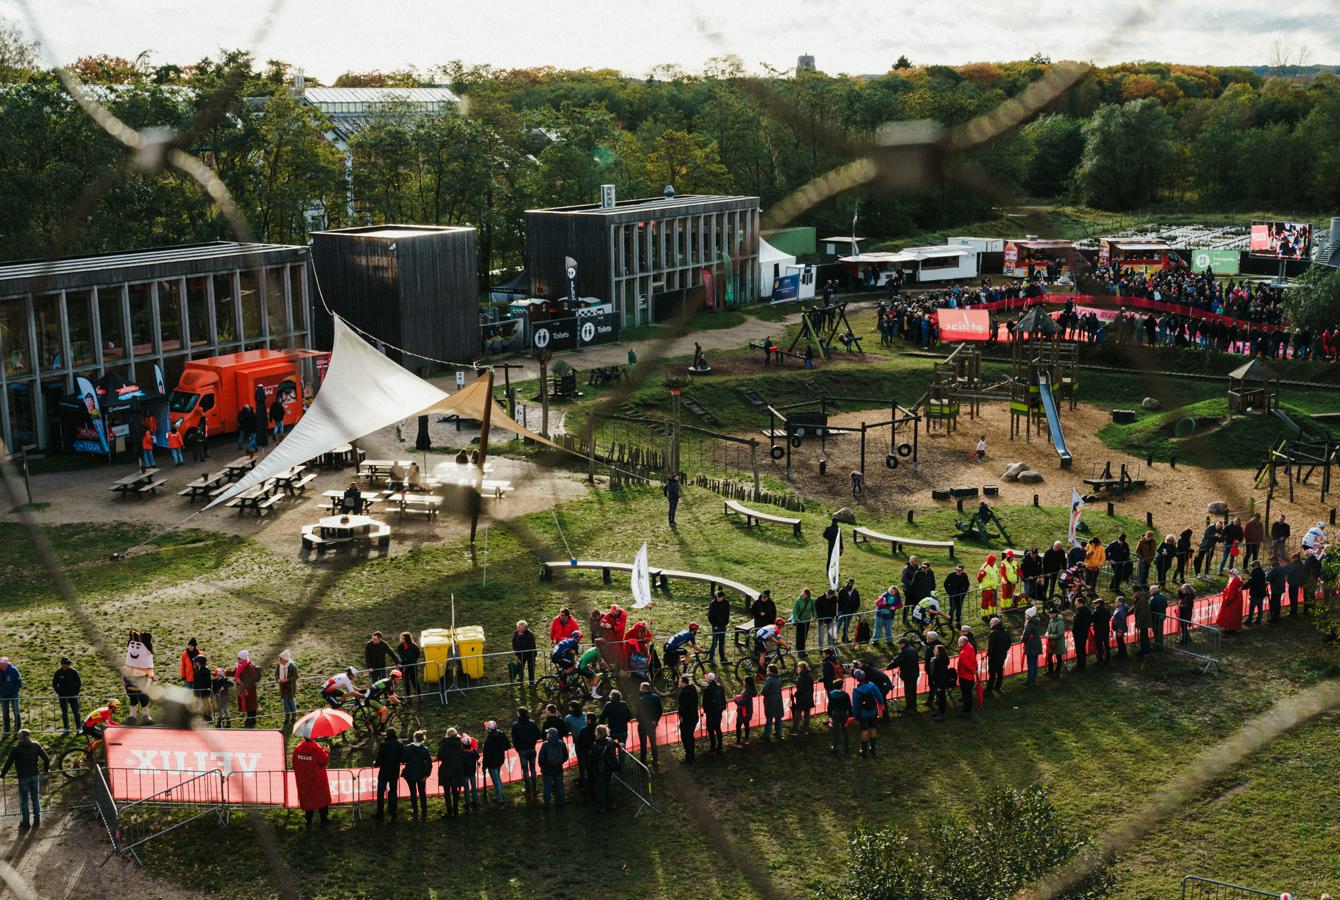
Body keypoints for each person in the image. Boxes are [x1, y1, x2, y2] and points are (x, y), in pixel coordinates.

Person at [1, 729, 50, 830]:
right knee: (35, 798)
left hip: (23, 777)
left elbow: (8, 763)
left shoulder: (16, 749)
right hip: (34, 775)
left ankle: (26, 822)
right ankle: (37, 821)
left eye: (18, 735)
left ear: (21, 737)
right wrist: (46, 770)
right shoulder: (36, 745)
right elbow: (46, 758)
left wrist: (2, 774)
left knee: (24, 800)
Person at [292, 733, 332, 827]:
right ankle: (324, 820)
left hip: (304, 780)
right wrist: (326, 752)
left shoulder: (298, 748)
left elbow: (294, 763)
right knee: (321, 799)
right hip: (317, 780)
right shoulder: (316, 748)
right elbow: (323, 761)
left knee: (308, 800)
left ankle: (308, 821)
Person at [401, 729, 432, 820]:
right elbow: (429, 764)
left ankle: (415, 811)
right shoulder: (425, 749)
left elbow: (403, 760)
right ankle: (424, 810)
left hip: (410, 773)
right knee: (422, 792)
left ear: (414, 738)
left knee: (413, 792)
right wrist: (427, 775)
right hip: (422, 774)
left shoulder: (407, 747)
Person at [851, 669, 883, 755]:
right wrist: (880, 704)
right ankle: (873, 749)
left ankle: (864, 751)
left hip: (863, 713)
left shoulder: (856, 691)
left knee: (864, 730)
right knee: (873, 728)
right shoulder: (872, 685)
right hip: (873, 711)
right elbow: (879, 696)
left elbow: (855, 705)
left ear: (857, 679)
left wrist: (856, 716)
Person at [511, 707, 543, 794]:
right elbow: (539, 735)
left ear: (518, 713)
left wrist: (518, 749)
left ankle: (528, 789)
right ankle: (534, 788)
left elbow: (514, 740)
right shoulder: (532, 723)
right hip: (532, 748)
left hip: (522, 750)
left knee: (525, 770)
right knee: (532, 768)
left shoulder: (515, 725)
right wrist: (533, 742)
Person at [374, 729, 403, 820]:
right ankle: (393, 812)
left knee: (380, 792)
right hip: (394, 771)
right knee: (393, 792)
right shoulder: (400, 744)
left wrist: (376, 764)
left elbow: (379, 757)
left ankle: (380, 812)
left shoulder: (383, 744)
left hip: (384, 771)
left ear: (387, 734)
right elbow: (403, 758)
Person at [436, 728, 465, 818]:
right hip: (457, 769)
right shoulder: (460, 744)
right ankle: (456, 811)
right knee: (455, 790)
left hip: (446, 770)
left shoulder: (444, 745)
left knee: (447, 791)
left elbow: (440, 756)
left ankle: (449, 812)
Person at [481, 720, 511, 806]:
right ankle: (501, 796)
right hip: (500, 759)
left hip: (492, 763)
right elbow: (508, 745)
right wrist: (500, 749)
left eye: (486, 728)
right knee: (498, 778)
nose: (486, 729)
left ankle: (500, 800)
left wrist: (484, 766)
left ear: (489, 729)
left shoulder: (488, 740)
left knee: (496, 781)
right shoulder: (501, 734)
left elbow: (486, 755)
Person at [537, 727, 569, 807]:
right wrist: (560, 763)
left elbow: (541, 758)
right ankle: (561, 802)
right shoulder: (562, 743)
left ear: (550, 735)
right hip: (558, 769)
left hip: (547, 770)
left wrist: (543, 767)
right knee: (560, 786)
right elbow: (565, 756)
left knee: (547, 787)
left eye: (547, 733)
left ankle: (547, 804)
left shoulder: (545, 744)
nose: (546, 734)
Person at [229, 650, 261, 728]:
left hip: (249, 690)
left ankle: (251, 719)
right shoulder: (240, 666)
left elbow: (251, 679)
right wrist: (226, 672)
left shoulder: (249, 667)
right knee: (248, 704)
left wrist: (241, 682)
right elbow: (235, 673)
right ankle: (249, 718)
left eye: (239, 658)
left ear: (243, 659)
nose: (238, 660)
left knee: (251, 705)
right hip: (244, 689)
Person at [591, 725, 618, 812]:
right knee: (608, 785)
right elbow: (617, 745)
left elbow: (592, 757)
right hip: (609, 767)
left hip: (600, 768)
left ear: (598, 733)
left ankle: (601, 806)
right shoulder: (610, 741)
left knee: (600, 788)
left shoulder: (595, 744)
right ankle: (611, 804)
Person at [635, 683, 663, 766]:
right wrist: (655, 720)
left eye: (640, 687)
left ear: (643, 689)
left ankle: (643, 761)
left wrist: (642, 722)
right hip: (653, 725)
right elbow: (660, 710)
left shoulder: (641, 699)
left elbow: (638, 714)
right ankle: (655, 759)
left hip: (643, 725)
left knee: (643, 744)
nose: (639, 689)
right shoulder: (656, 697)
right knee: (653, 742)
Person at [51, 657, 81, 734]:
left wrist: (76, 693)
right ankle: (66, 728)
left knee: (76, 712)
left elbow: (79, 682)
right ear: (63, 664)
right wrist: (59, 693)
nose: (69, 665)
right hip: (63, 697)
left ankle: (78, 728)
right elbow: (54, 684)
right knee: (64, 713)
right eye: (67, 664)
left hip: (73, 696)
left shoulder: (73, 672)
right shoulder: (58, 673)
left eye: (69, 664)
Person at [827, 676, 852, 755]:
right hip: (844, 714)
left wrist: (830, 714)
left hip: (835, 714)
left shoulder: (831, 694)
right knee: (845, 731)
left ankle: (834, 747)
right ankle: (846, 748)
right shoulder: (845, 695)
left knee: (835, 731)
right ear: (842, 686)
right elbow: (849, 705)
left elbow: (829, 706)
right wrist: (851, 714)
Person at [702, 672, 726, 754]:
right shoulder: (720, 688)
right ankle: (720, 746)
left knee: (711, 729)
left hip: (711, 713)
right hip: (718, 711)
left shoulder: (707, 690)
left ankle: (713, 746)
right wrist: (722, 708)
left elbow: (704, 702)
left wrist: (706, 711)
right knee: (718, 728)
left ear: (708, 680)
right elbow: (723, 699)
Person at [677, 676, 699, 763]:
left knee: (686, 737)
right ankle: (691, 755)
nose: (678, 683)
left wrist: (681, 716)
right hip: (693, 716)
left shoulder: (684, 693)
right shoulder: (693, 690)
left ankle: (689, 757)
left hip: (687, 718)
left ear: (683, 682)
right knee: (690, 736)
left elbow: (682, 707)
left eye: (679, 682)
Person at [893, 638, 920, 711]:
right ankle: (914, 706)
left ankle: (909, 707)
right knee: (913, 691)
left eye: (900, 644)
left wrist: (889, 666)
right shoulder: (913, 649)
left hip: (908, 675)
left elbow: (896, 662)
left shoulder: (904, 652)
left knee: (908, 692)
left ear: (903, 644)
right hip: (915, 673)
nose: (899, 645)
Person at [1215, 569, 1244, 633]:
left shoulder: (1234, 581)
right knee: (1234, 615)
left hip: (1232, 601)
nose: (1229, 575)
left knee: (1229, 615)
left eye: (1230, 574)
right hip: (1236, 600)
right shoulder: (1238, 579)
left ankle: (1229, 628)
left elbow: (1231, 592)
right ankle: (1232, 628)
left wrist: (1227, 601)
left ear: (1233, 574)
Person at [985, 617, 1009, 694]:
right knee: (1000, 671)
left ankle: (989, 689)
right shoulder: (1005, 631)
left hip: (994, 657)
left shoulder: (993, 633)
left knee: (992, 673)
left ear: (994, 624)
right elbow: (1009, 643)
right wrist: (1004, 650)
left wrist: (989, 655)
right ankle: (998, 686)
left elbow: (991, 647)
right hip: (1002, 655)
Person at [956, 636, 978, 717]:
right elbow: (974, 661)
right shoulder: (971, 648)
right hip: (970, 676)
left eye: (959, 642)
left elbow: (966, 665)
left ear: (962, 643)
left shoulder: (963, 653)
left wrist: (972, 670)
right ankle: (966, 709)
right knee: (968, 694)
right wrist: (974, 670)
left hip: (965, 676)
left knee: (966, 694)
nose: (958, 644)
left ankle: (967, 711)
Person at [276, 649, 298, 730]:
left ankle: (294, 716)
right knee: (285, 703)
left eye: (280, 659)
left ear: (285, 659)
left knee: (291, 701)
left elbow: (295, 676)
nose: (279, 660)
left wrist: (287, 679)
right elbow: (276, 674)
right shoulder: (279, 665)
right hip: (283, 687)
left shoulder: (292, 666)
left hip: (290, 687)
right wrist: (278, 679)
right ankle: (287, 717)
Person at [706, 591, 731, 664]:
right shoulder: (713, 604)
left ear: (723, 597)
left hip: (723, 626)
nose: (717, 598)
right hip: (716, 627)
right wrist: (714, 625)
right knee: (714, 643)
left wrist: (726, 623)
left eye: (719, 597)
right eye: (717, 596)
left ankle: (722, 658)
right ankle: (710, 658)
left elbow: (727, 614)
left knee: (722, 643)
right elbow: (710, 616)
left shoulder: (726, 603)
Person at [761, 665, 784, 742]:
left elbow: (764, 691)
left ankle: (767, 735)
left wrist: (762, 691)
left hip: (770, 701)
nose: (767, 671)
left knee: (769, 719)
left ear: (771, 670)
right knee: (778, 718)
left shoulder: (769, 679)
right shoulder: (779, 679)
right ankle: (779, 733)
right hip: (778, 700)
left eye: (768, 669)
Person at [929, 645, 952, 721]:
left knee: (941, 698)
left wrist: (939, 685)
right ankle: (939, 711)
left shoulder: (939, 661)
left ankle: (941, 714)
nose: (933, 651)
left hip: (940, 682)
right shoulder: (939, 660)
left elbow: (941, 674)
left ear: (939, 652)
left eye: (935, 650)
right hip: (938, 681)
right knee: (939, 698)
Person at [791, 661, 814, 734]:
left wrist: (795, 695)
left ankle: (794, 730)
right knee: (807, 714)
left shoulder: (801, 677)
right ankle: (806, 729)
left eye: (798, 667)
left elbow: (800, 689)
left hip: (802, 698)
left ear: (801, 668)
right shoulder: (810, 675)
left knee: (797, 714)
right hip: (809, 697)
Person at [943, 564, 969, 628]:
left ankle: (958, 623)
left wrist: (964, 593)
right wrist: (950, 593)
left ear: (962, 571)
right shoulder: (951, 575)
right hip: (953, 596)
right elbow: (945, 584)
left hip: (960, 596)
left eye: (959, 570)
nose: (957, 571)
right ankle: (950, 623)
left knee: (959, 610)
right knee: (952, 610)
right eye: (956, 570)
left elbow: (967, 584)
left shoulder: (964, 575)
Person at [1022, 608, 1043, 687]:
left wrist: (1022, 640)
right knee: (1034, 664)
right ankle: (1032, 681)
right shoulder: (1036, 622)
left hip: (1031, 645)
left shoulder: (1030, 623)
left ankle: (1030, 681)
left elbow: (1025, 634)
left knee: (1031, 664)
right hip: (1036, 645)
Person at [511, 620, 537, 685]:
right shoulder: (516, 633)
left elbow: (531, 646)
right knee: (519, 668)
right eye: (519, 627)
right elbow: (514, 643)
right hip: (520, 654)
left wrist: (521, 637)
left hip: (530, 654)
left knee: (531, 668)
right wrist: (517, 652)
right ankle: (520, 681)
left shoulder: (530, 634)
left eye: (522, 628)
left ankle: (531, 683)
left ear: (525, 628)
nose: (520, 629)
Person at [0, 657, 21, 735]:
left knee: (16, 712)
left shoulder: (13, 670)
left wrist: (15, 691)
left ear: (5, 664)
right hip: (3, 695)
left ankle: (17, 732)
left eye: (1, 664)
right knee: (5, 713)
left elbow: (19, 681)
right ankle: (7, 731)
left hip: (13, 695)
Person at [791, 589, 816, 655]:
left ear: (808, 595)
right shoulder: (798, 600)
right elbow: (794, 611)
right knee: (800, 636)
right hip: (800, 621)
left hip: (807, 621)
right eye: (803, 593)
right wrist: (796, 619)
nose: (804, 595)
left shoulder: (811, 601)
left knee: (805, 635)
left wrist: (814, 616)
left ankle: (802, 648)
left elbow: (813, 609)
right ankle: (800, 651)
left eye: (805, 594)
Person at [734, 676, 756, 746]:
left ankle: (738, 742)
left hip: (743, 712)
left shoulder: (746, 692)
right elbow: (744, 699)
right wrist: (739, 696)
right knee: (746, 724)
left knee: (738, 726)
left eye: (744, 681)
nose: (743, 682)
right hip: (748, 711)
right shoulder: (750, 691)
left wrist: (735, 699)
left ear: (746, 683)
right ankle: (746, 739)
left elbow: (741, 703)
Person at [977, 554, 1001, 620]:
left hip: (993, 587)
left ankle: (992, 614)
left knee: (993, 601)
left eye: (992, 561)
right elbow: (979, 578)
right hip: (986, 588)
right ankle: (984, 616)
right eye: (989, 561)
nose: (991, 563)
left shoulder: (995, 565)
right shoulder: (984, 568)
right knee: (985, 602)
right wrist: (984, 583)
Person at [1072, 598, 1093, 670]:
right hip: (1084, 633)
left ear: (1081, 603)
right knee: (1083, 649)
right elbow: (1090, 621)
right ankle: (1083, 664)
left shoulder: (1080, 612)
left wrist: (1074, 631)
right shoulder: (1088, 611)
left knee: (1079, 649)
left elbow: (1077, 624)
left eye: (1076, 603)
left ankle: (1080, 665)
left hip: (1079, 634)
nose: (1075, 604)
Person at [1045, 609, 1067, 676]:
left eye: (1051, 613)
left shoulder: (1060, 622)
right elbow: (1048, 630)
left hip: (1058, 643)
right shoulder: (1051, 621)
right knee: (1049, 656)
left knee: (1058, 657)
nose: (1050, 614)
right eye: (1050, 613)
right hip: (1051, 642)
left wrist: (1049, 636)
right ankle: (1050, 670)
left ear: (1055, 614)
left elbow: (1060, 634)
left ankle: (1057, 671)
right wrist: (1047, 633)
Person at [1245, 562, 1267, 627]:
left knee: (1252, 608)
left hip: (1255, 593)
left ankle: (1249, 620)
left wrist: (1243, 587)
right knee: (1260, 608)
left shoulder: (1254, 572)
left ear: (1255, 566)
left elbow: (1250, 582)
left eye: (1252, 566)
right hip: (1262, 593)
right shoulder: (1262, 572)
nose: (1252, 567)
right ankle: (1259, 621)